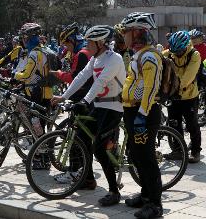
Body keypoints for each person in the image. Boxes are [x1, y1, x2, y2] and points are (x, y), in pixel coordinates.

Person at [52, 25, 126, 206]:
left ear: (101, 43)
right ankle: (88, 179)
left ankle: (114, 191)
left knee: (99, 149)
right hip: (99, 106)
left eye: (90, 42)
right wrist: (64, 96)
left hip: (113, 107)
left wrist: (84, 101)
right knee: (81, 137)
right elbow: (81, 78)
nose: (87, 45)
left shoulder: (114, 59)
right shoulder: (95, 59)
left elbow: (101, 82)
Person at [120, 12, 163, 218]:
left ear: (137, 32)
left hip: (143, 113)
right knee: (136, 155)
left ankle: (155, 203)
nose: (124, 35)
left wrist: (141, 114)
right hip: (132, 111)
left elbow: (151, 88)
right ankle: (146, 196)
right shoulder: (138, 54)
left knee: (146, 158)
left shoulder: (150, 56)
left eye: (126, 31)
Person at [13, 23, 53, 169]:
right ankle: (39, 157)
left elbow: (27, 74)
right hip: (46, 92)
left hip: (37, 94)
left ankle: (42, 160)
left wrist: (15, 75)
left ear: (29, 38)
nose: (23, 40)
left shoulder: (34, 53)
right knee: (39, 127)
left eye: (24, 37)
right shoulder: (44, 50)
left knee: (36, 126)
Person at [164, 31, 202, 163]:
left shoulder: (194, 55)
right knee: (174, 124)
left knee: (192, 124)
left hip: (189, 96)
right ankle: (178, 150)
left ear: (186, 46)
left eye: (179, 51)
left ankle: (196, 151)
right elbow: (156, 59)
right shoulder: (169, 53)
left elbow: (187, 78)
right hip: (173, 96)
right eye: (174, 51)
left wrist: (172, 86)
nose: (176, 54)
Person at [51, 23, 93, 102]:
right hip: (89, 93)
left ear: (72, 41)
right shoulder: (87, 49)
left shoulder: (81, 54)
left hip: (82, 94)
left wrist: (58, 73)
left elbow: (73, 78)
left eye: (66, 45)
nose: (67, 48)